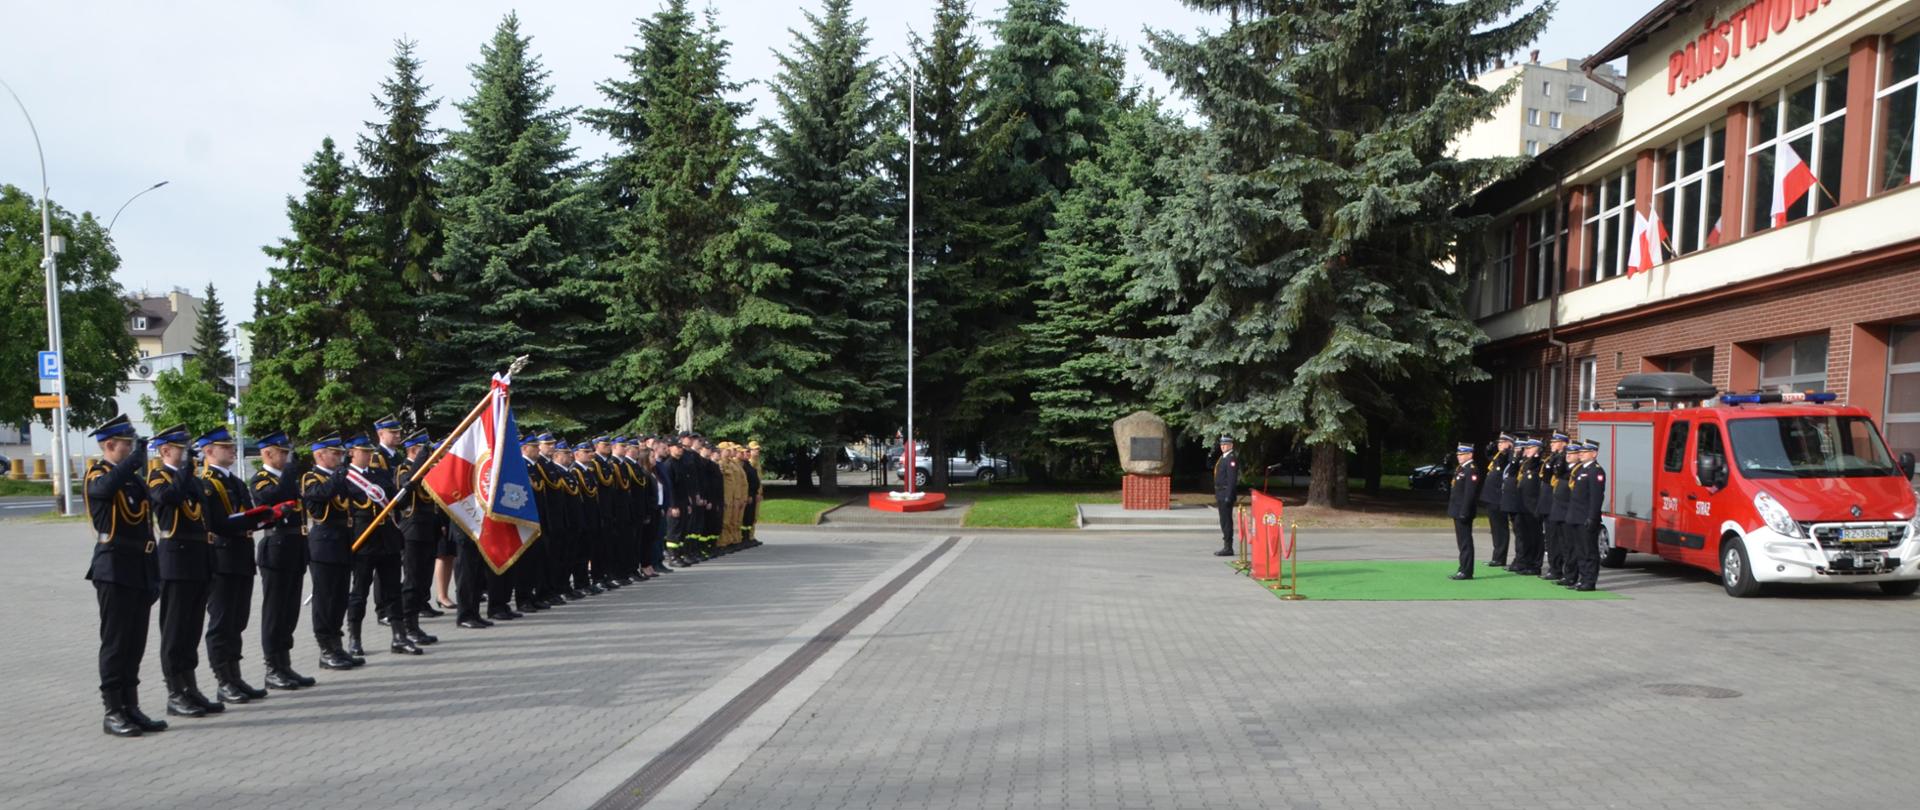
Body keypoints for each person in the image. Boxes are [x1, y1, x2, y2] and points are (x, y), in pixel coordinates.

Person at [85, 414, 167, 737]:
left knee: (135, 642)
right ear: (109, 445)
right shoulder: (99, 474)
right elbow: (103, 491)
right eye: (128, 445)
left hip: (139, 566)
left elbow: (147, 524)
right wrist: (130, 464)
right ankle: (113, 709)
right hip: (113, 567)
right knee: (116, 642)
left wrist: (155, 572)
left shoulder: (132, 480)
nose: (134, 450)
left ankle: (131, 705)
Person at [147, 424, 224, 718]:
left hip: (198, 559)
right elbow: (170, 499)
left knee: (191, 630)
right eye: (181, 448)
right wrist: (185, 472)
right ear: (166, 450)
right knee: (175, 631)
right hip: (175, 561)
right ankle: (175, 691)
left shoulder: (188, 477)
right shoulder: (158, 477)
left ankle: (190, 687)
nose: (186, 453)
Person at [196, 426, 269, 704]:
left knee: (238, 620)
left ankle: (235, 676)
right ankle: (223, 680)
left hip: (241, 557)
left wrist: (267, 516)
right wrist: (246, 519)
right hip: (222, 559)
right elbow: (216, 522)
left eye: (230, 445)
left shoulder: (237, 482)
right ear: (208, 451)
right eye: (224, 446)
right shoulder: (206, 483)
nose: (231, 449)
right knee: (222, 622)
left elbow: (248, 513)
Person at [343, 434, 420, 656]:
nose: (368, 455)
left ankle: (399, 636)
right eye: (363, 451)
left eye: (369, 452)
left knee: (393, 590)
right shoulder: (345, 478)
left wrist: (409, 486)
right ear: (352, 453)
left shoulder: (380, 474)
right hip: (364, 539)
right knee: (359, 592)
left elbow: (396, 501)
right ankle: (354, 638)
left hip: (388, 540)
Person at [250, 431, 315, 690]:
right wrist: (290, 471)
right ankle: (272, 667)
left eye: (288, 454)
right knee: (275, 612)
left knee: (289, 611)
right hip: (275, 547)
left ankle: (285, 663)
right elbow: (274, 498)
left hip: (295, 547)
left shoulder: (287, 478)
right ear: (267, 453)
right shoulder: (260, 479)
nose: (287, 458)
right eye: (283, 453)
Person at [302, 433, 361, 670]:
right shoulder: (311, 477)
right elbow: (320, 495)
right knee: (325, 598)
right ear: (319, 455)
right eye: (334, 453)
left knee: (339, 597)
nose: (338, 457)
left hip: (342, 539)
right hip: (323, 541)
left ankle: (337, 645)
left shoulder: (340, 477)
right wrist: (339, 475)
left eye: (339, 453)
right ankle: (325, 648)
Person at [392, 430, 442, 646]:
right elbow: (405, 490)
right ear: (414, 450)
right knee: (412, 580)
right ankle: (407, 627)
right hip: (412, 530)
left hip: (429, 528)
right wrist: (420, 464)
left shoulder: (429, 469)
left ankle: (415, 625)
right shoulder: (403, 468)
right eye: (424, 451)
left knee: (423, 579)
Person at [1568, 440, 1606, 591]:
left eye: (1585, 451)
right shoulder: (1580, 470)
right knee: (1580, 550)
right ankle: (1582, 578)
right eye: (1581, 451)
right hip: (1576, 516)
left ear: (1594, 453)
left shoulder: (1596, 471)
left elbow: (1597, 498)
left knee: (1589, 550)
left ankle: (1589, 581)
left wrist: (1593, 517)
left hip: (1586, 517)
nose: (1581, 453)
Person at [1545, 433, 1581, 583]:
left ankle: (1571, 575)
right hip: (1558, 510)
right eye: (1568, 454)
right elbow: (1548, 477)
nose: (1568, 456)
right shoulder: (1564, 468)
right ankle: (1562, 572)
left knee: (1570, 546)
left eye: (1571, 454)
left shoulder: (1577, 470)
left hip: (1567, 511)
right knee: (1561, 544)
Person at [1479, 432, 1514, 569]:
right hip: (1491, 497)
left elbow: (1509, 462)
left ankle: (1500, 557)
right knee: (1495, 529)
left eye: (1502, 441)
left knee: (1500, 529)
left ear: (1509, 443)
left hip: (1498, 497)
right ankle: (1496, 556)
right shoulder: (1499, 456)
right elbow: (1491, 458)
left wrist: (1509, 450)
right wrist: (1489, 448)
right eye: (1499, 442)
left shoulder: (1507, 457)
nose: (1499, 444)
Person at [1446, 442, 1481, 580]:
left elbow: (1470, 494)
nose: (1459, 457)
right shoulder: (1461, 468)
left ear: (1470, 455)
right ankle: (1463, 567)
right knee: (1461, 541)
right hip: (1457, 509)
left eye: (1462, 454)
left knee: (1465, 541)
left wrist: (1464, 511)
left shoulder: (1471, 469)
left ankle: (1466, 571)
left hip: (1463, 511)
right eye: (1458, 454)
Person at [1510, 438, 1544, 576]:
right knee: (1525, 536)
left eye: (1531, 448)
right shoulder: (1524, 464)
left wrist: (1536, 458)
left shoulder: (1539, 465)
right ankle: (1526, 562)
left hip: (1533, 507)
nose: (1527, 450)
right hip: (1522, 506)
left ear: (1538, 450)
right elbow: (1512, 473)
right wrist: (1516, 457)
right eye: (1527, 448)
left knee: (1535, 537)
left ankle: (1536, 565)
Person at [1212, 436, 1239, 557]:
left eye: (1225, 444)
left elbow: (1232, 480)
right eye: (1222, 444)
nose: (1223, 446)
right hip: (1220, 493)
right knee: (1223, 521)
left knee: (1226, 521)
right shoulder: (1223, 457)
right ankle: (1226, 546)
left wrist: (1229, 496)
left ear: (1231, 445)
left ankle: (1228, 547)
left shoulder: (1231, 459)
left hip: (1225, 494)